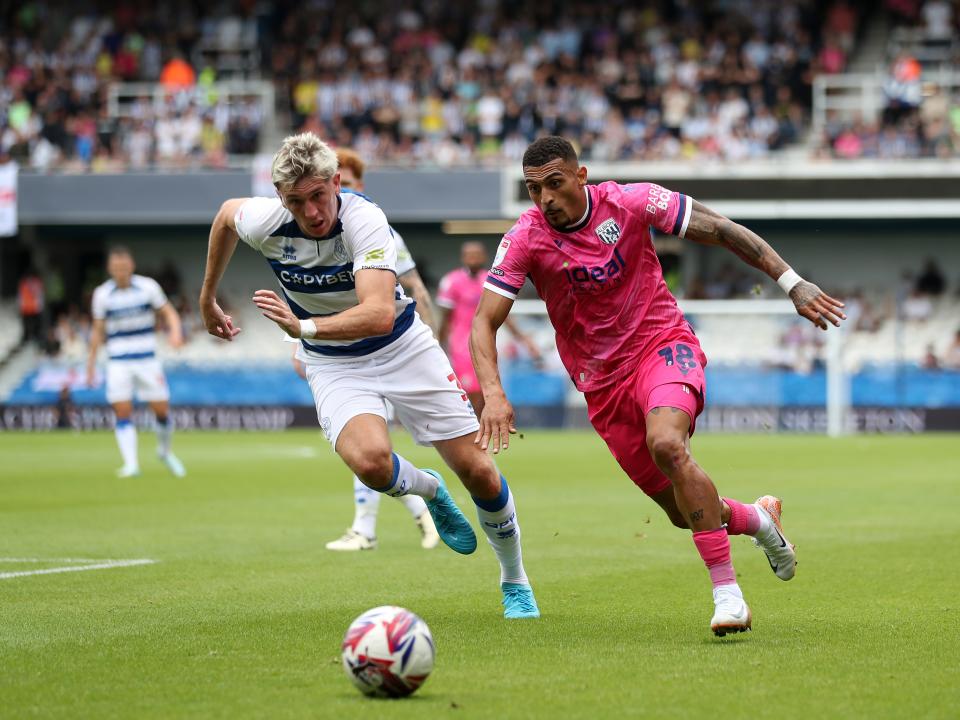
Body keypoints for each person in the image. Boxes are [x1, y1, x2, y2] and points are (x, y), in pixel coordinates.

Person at [471, 136, 847, 636]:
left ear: (581, 176)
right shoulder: (525, 236)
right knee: (681, 513)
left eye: (555, 184)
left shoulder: (629, 202)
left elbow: (722, 230)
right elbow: (483, 322)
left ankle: (727, 594)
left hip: (662, 346)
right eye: (533, 189)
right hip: (601, 385)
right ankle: (758, 519)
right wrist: (493, 392)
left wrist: (791, 282)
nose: (544, 199)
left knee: (668, 443)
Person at [199, 132, 539, 618]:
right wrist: (207, 296)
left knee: (480, 472)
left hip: (402, 346)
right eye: (296, 201)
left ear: (337, 182)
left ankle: (515, 579)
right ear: (280, 197)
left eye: (318, 196)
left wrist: (303, 327)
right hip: (334, 361)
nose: (311, 211)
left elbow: (379, 312)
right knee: (372, 464)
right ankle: (430, 491)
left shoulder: (366, 220)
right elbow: (226, 214)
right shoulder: (267, 220)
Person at [291, 147, 441, 553]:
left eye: (351, 184)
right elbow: (305, 295)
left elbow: (414, 289)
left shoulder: (379, 232)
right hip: (337, 354)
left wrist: (427, 345)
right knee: (368, 449)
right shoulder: (303, 234)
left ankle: (378, 525)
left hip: (390, 350)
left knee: (371, 449)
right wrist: (298, 343)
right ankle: (396, 521)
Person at [86, 246, 186, 478]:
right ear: (110, 268)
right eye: (116, 267)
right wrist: (90, 364)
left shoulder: (147, 287)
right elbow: (97, 331)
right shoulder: (102, 294)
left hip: (147, 359)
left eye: (124, 266)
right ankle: (131, 464)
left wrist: (175, 332)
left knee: (161, 410)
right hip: (118, 361)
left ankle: (164, 452)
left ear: (131, 266)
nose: (121, 271)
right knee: (122, 411)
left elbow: (169, 312)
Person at [437, 241, 541, 414]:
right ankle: (473, 431)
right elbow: (445, 319)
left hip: (487, 343)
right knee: (471, 391)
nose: (473, 258)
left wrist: (524, 341)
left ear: (484, 257)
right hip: (462, 346)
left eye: (477, 254)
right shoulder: (451, 281)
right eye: (470, 255)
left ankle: (478, 432)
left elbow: (504, 316)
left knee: (485, 390)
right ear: (463, 258)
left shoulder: (492, 280)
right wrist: (440, 346)